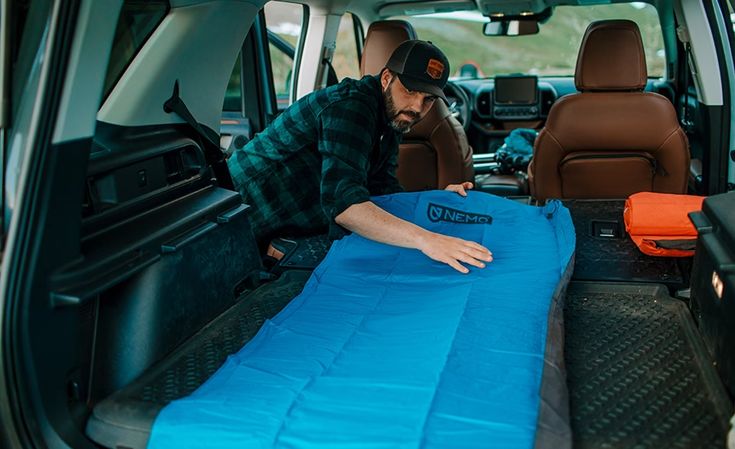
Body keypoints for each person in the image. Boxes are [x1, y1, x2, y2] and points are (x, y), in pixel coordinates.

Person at [227, 40, 492, 273]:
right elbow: (346, 206)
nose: (416, 108)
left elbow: (383, 190)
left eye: (428, 100)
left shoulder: (392, 117)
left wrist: (435, 199)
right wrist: (427, 240)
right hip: (238, 222)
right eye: (410, 91)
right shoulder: (351, 108)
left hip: (289, 225)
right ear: (387, 78)